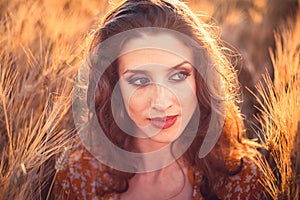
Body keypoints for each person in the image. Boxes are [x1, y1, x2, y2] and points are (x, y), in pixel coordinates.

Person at [54, 0, 265, 199]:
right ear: (113, 87)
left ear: (199, 80)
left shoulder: (238, 180)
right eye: (139, 80)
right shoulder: (79, 178)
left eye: (178, 76)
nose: (162, 102)